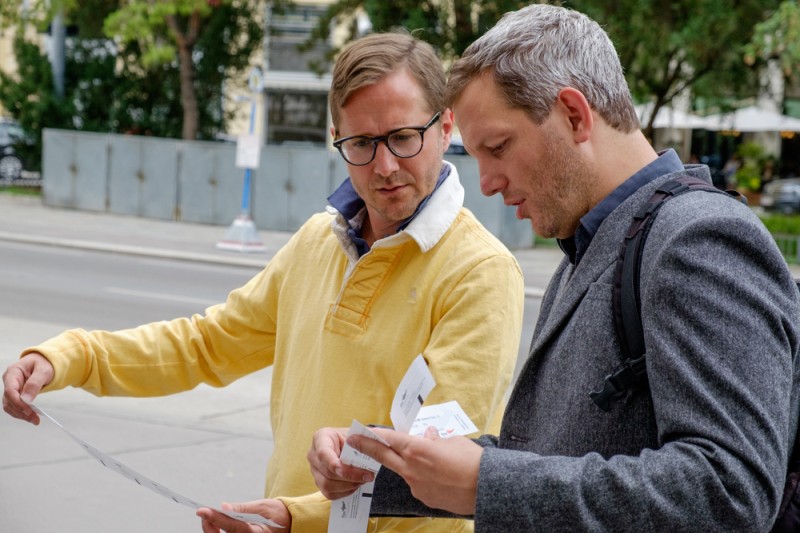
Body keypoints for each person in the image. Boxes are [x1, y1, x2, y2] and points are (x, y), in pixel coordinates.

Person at [2, 32, 525, 533]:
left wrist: (296, 517)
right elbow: (207, 345)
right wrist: (69, 357)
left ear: (446, 126)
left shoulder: (480, 272)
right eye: (362, 143)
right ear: (334, 139)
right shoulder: (320, 240)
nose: (385, 165)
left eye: (403, 137)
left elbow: (442, 469)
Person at [307, 5, 800, 531]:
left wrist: (486, 483)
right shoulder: (588, 249)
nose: (489, 183)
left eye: (498, 147)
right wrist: (374, 468)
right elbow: (552, 453)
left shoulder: (697, 238)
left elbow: (729, 490)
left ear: (573, 114)